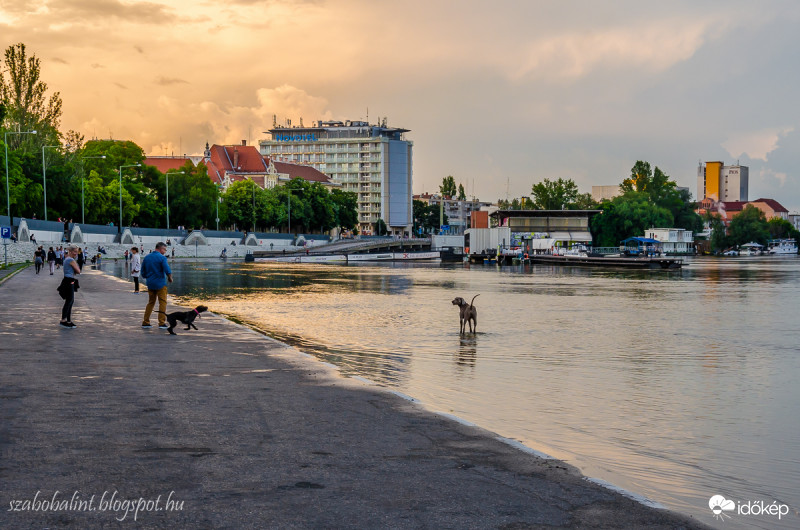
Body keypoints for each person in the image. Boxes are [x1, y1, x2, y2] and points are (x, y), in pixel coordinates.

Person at [140, 242, 173, 329]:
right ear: (161, 248)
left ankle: (145, 322)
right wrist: (170, 278)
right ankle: (161, 323)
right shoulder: (162, 258)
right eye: (165, 249)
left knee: (151, 302)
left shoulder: (147, 257)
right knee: (162, 302)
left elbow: (142, 272)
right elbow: (167, 270)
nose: (165, 251)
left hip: (150, 283)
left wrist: (148, 277)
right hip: (160, 284)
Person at [58, 245, 81, 328]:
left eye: (77, 252)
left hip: (68, 280)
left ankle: (68, 320)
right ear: (70, 252)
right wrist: (76, 266)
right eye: (75, 251)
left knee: (70, 301)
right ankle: (63, 320)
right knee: (69, 301)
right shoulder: (71, 260)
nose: (76, 253)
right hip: (68, 281)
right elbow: (78, 271)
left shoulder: (67, 259)